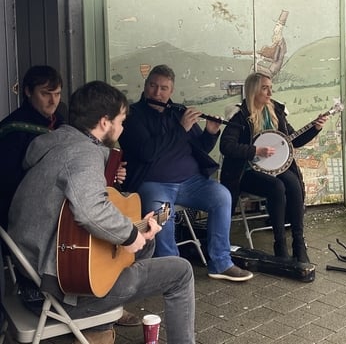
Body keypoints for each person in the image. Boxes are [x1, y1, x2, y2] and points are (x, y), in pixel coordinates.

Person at [8, 81, 195, 344]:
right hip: (57, 292)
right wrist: (130, 234)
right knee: (181, 271)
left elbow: (82, 209)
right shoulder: (84, 153)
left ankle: (99, 324)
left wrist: (138, 233)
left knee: (144, 247)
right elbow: (90, 211)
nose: (122, 127)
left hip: (30, 277)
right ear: (105, 123)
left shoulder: (53, 144)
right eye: (121, 120)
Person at [119, 64, 253, 282]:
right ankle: (172, 270)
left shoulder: (178, 112)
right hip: (155, 184)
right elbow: (147, 152)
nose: (157, 92)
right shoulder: (134, 116)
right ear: (145, 86)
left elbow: (201, 147)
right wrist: (180, 128)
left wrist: (211, 132)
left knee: (222, 196)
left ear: (171, 91)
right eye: (153, 86)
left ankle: (220, 262)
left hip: (191, 183)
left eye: (163, 88)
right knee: (162, 212)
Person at [219, 72, 327, 263]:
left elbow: (294, 140)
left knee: (293, 183)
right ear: (253, 90)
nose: (270, 92)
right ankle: (280, 244)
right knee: (276, 187)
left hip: (274, 169)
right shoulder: (240, 115)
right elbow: (226, 146)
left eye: (270, 87)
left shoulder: (276, 111)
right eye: (265, 88)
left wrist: (315, 128)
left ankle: (299, 243)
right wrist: (255, 150)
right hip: (246, 171)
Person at [0, 65, 65, 228]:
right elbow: (7, 182)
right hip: (22, 214)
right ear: (28, 92)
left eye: (57, 94)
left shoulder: (61, 121)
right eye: (45, 94)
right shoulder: (12, 130)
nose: (53, 101)